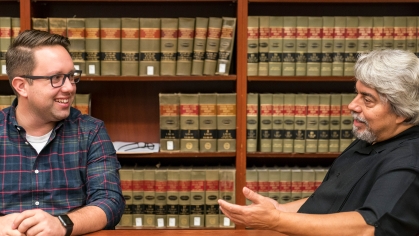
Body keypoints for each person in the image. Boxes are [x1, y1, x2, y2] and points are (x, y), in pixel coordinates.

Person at [218, 49, 419, 236]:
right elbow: (334, 200)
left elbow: (368, 226)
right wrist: (279, 210)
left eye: (367, 100)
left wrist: (277, 220)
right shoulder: (373, 137)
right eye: (357, 93)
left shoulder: (409, 161)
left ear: (401, 112)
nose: (352, 105)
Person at [0, 29, 125, 236]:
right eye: (56, 78)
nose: (69, 88)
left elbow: (110, 202)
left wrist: (62, 224)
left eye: (71, 76)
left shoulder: (91, 131)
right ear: (22, 86)